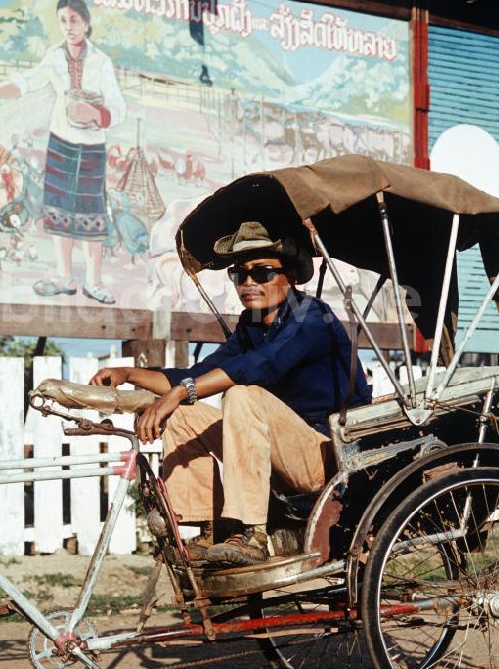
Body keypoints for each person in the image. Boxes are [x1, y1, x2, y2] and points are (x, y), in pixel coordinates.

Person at [90, 221, 371, 566]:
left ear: (291, 277)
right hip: (278, 452)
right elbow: (197, 375)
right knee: (183, 411)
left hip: (326, 456)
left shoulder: (311, 316)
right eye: (240, 275)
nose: (249, 283)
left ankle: (251, 534)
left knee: (241, 395)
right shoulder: (251, 325)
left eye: (263, 273)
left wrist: (181, 391)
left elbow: (260, 367)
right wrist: (128, 374)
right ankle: (210, 528)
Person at [0, 0, 125, 304]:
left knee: (90, 212)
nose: (69, 27)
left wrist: (96, 115)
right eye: (63, 21)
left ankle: (93, 281)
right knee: (57, 210)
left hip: (92, 148)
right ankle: (65, 277)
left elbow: (118, 107)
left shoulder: (101, 61)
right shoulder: (54, 57)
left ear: (86, 23)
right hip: (61, 142)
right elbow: (27, 81)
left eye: (74, 20)